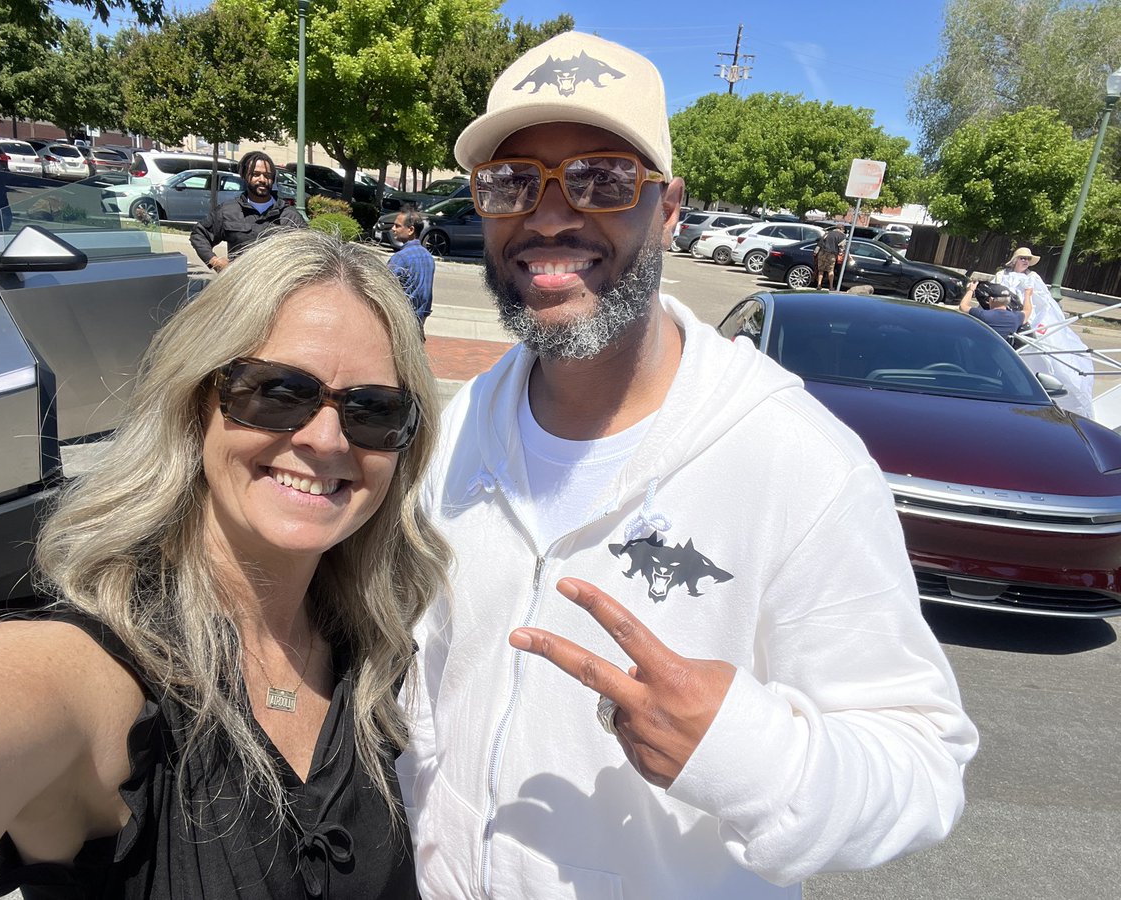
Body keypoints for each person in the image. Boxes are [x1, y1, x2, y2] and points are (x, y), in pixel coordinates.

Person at [397, 30, 978, 899]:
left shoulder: (799, 464)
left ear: (669, 208)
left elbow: (924, 762)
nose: (550, 216)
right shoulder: (458, 427)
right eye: (512, 182)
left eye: (602, 178)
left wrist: (747, 755)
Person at [0, 230, 449, 899]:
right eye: (279, 392)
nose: (325, 438)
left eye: (372, 410)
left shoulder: (379, 653)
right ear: (196, 404)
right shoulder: (88, 674)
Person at [995, 246, 1096, 418]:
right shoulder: (1001, 275)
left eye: (1028, 259)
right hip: (1008, 317)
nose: (1026, 261)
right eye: (1022, 258)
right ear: (1015, 259)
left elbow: (1044, 301)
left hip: (1031, 319)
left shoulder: (1033, 277)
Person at [190, 150, 306, 273]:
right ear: (244, 176)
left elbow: (309, 250)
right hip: (240, 287)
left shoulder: (290, 216)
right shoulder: (228, 211)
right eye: (256, 174)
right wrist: (214, 261)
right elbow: (199, 235)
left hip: (277, 289)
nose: (262, 179)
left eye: (267, 175)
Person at [388, 206, 435, 337]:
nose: (393, 229)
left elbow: (384, 293)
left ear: (410, 230)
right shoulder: (428, 257)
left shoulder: (400, 258)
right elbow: (426, 296)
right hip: (418, 325)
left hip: (401, 326)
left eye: (397, 226)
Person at [959, 279, 1031, 340]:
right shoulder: (1016, 318)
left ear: (991, 300)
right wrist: (1027, 294)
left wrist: (970, 290)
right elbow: (1028, 311)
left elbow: (963, 306)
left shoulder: (983, 315)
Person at [814, 224, 846, 289]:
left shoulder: (828, 233)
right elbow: (842, 247)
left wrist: (815, 252)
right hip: (831, 254)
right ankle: (831, 287)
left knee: (821, 270)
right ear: (842, 229)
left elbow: (820, 243)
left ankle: (819, 285)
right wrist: (841, 254)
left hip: (822, 253)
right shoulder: (842, 236)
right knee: (830, 270)